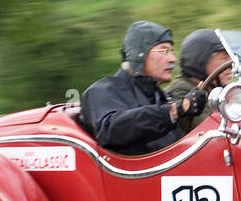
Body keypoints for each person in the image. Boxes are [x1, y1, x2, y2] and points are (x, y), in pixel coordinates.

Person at [79, 21, 207, 155]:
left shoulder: (158, 95)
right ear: (139, 53)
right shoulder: (103, 90)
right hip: (136, 174)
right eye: (164, 51)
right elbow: (111, 130)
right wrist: (176, 110)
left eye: (172, 51)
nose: (172, 58)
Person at [166, 28, 233, 134]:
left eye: (231, 56)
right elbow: (212, 131)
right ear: (201, 60)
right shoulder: (181, 91)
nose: (231, 64)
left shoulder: (216, 90)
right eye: (224, 57)